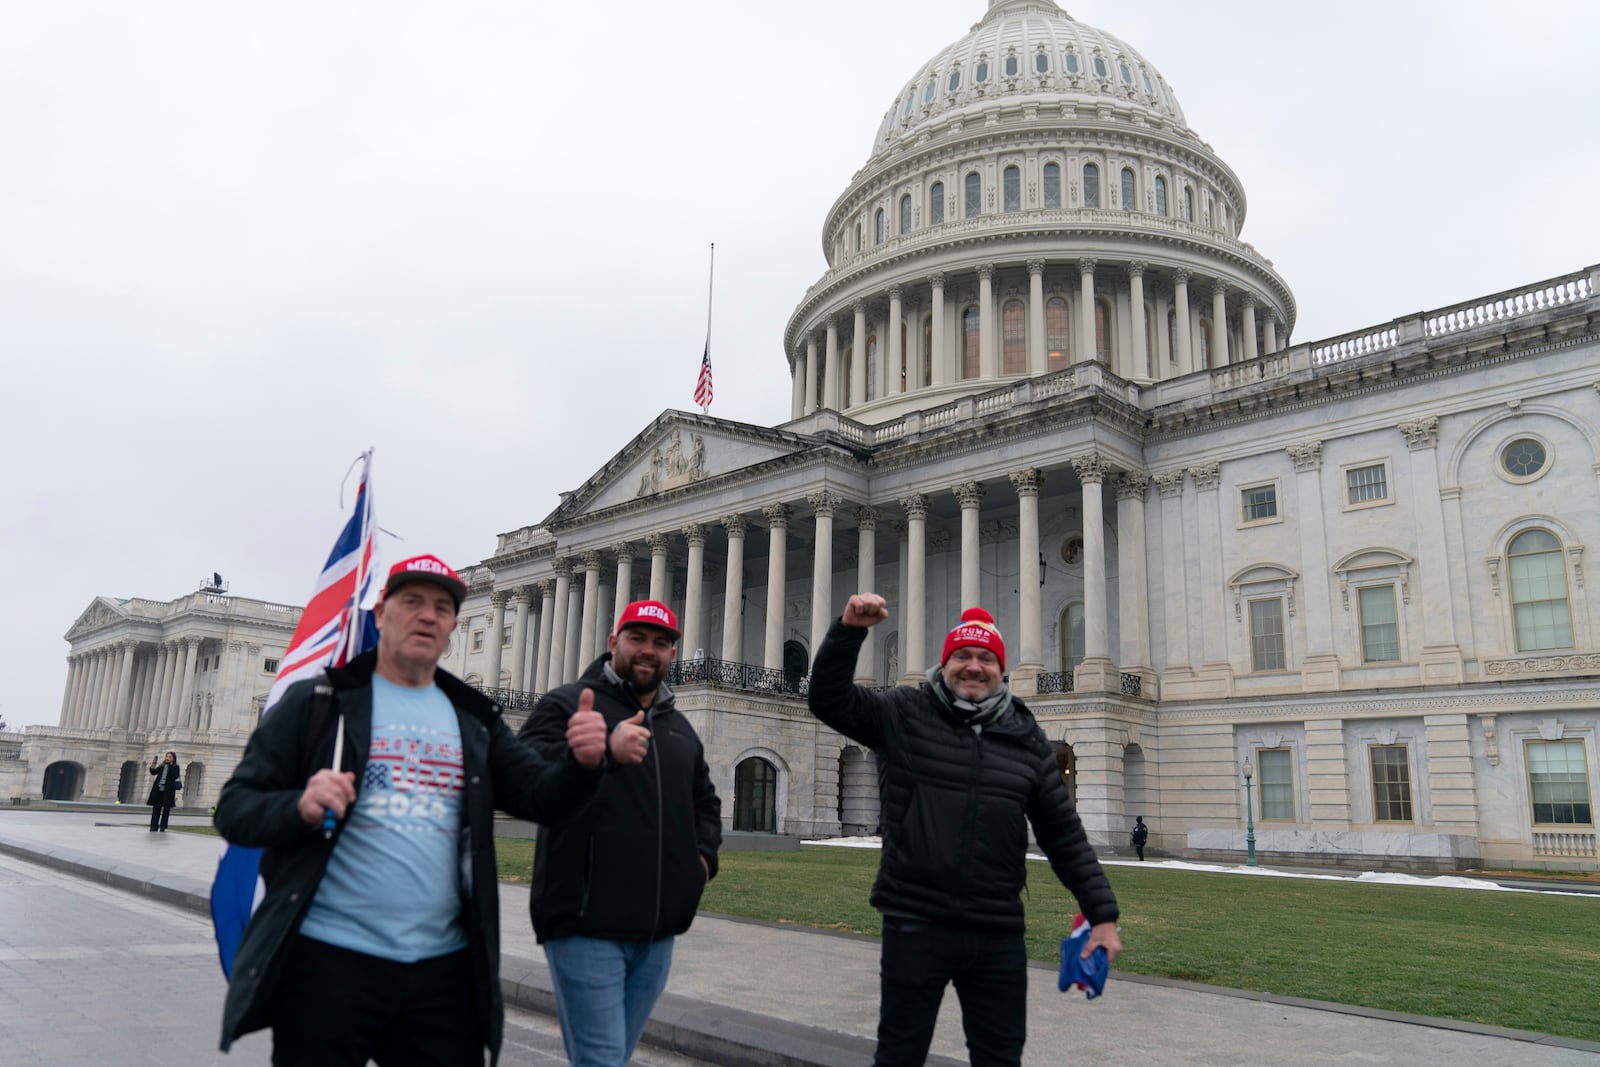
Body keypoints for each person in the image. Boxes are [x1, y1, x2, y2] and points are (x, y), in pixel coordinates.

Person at [214, 554, 634, 1067]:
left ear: (454, 626)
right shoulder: (320, 702)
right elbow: (235, 809)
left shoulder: (472, 719)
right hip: (328, 961)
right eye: (412, 602)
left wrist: (584, 763)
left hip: (443, 971)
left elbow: (541, 798)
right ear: (381, 614)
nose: (427, 616)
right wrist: (297, 804)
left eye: (441, 607)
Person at [808, 594, 1123, 1067]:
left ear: (1000, 668)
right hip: (915, 921)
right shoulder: (904, 712)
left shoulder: (1024, 734)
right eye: (962, 656)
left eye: (985, 658)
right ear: (946, 663)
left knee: (1000, 1056)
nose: (973, 667)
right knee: (900, 1054)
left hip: (995, 929)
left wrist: (1101, 915)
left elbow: (1063, 835)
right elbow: (829, 700)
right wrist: (848, 631)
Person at [519, 599, 722, 1067]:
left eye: (661, 642)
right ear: (614, 643)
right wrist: (597, 754)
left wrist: (701, 864)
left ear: (673, 652)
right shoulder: (569, 704)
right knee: (602, 1059)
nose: (648, 651)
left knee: (613, 1056)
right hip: (585, 923)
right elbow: (522, 781)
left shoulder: (678, 727)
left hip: (656, 931)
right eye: (637, 639)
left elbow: (705, 804)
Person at [146, 751, 182, 831]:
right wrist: (152, 766)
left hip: (168, 791)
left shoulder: (175, 766)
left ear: (173, 759)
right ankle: (153, 826)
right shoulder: (162, 766)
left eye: (169, 757)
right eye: (166, 756)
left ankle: (163, 827)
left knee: (166, 810)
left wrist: (170, 766)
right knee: (156, 808)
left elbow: (175, 775)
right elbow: (153, 772)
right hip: (159, 790)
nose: (167, 758)